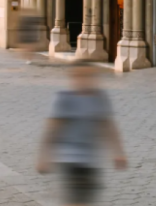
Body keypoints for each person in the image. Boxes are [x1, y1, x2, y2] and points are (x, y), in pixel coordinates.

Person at [37, 63, 127, 206]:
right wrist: (43, 157)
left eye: (89, 75)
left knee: (83, 200)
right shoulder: (65, 98)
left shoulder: (99, 98)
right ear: (73, 77)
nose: (84, 80)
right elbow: (52, 130)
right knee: (78, 201)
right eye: (80, 75)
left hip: (90, 160)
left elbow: (108, 126)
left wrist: (118, 153)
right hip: (69, 158)